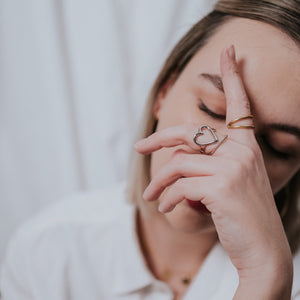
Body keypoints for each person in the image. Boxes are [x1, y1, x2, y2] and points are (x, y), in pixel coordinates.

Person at [1, 0, 300, 299]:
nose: (230, 161)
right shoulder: (50, 251)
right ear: (164, 93)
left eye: (279, 149)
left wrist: (266, 276)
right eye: (212, 109)